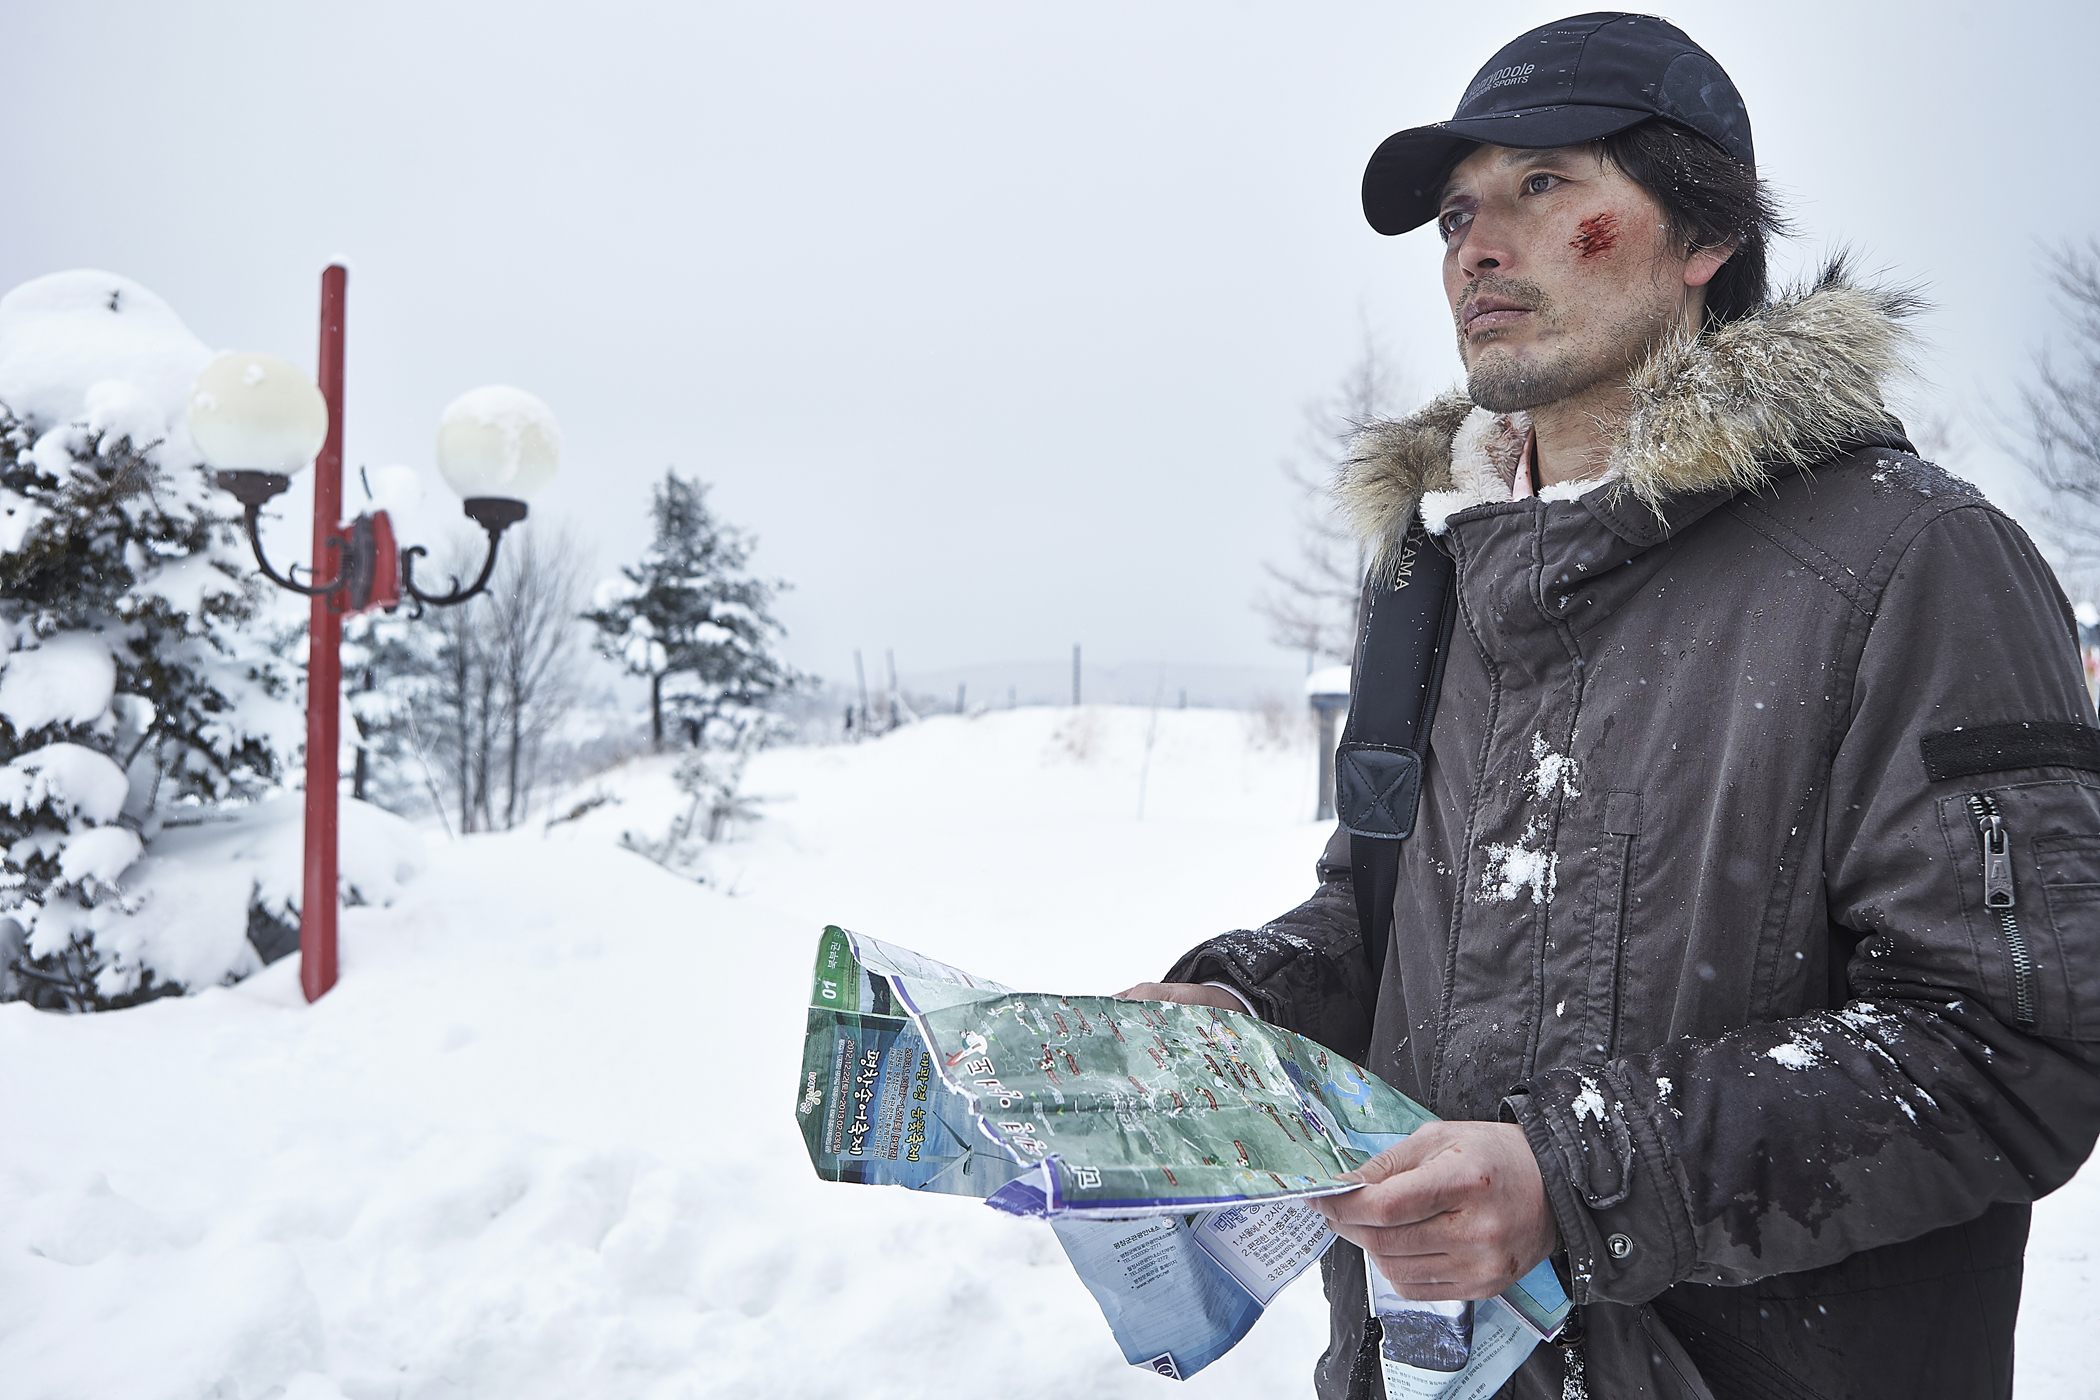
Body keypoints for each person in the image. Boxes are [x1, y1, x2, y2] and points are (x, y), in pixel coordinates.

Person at [1120, 13, 2100, 1399]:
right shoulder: (1426, 574)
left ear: (1703, 240)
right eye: (1459, 212)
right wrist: (1237, 1007)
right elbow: (1386, 915)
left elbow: (2013, 1043)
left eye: (1544, 187)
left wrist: (1576, 1180)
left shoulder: (1910, 561)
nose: (1477, 244)